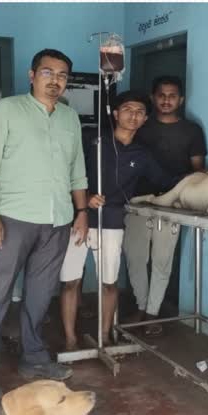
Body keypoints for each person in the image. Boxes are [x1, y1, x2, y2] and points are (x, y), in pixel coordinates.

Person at [0, 49, 89, 395]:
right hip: (12, 218)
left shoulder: (68, 118)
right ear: (32, 75)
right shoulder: (5, 111)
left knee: (40, 294)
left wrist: (81, 213)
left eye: (62, 75)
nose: (55, 80)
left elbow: (77, 170)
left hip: (57, 220)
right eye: (47, 72)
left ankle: (33, 357)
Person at [59, 91, 180, 350]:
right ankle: (70, 339)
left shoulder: (142, 155)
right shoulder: (93, 141)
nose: (133, 115)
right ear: (115, 114)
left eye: (139, 111)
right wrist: (86, 197)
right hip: (79, 218)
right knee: (71, 282)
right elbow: (65, 171)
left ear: (145, 118)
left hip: (113, 220)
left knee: (110, 283)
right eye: (127, 109)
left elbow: (166, 182)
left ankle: (104, 336)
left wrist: (198, 180)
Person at [122, 76, 208, 336]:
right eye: (161, 94)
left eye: (172, 95)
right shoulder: (140, 127)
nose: (167, 99)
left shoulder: (191, 130)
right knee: (136, 257)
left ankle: (152, 311)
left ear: (181, 99)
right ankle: (140, 305)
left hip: (173, 202)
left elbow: (198, 171)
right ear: (153, 97)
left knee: (162, 260)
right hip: (137, 201)